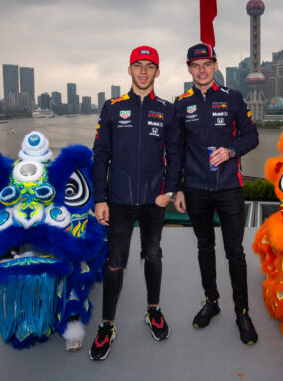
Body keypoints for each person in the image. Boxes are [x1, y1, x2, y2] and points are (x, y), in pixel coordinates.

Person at [89, 45, 182, 361]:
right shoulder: (112, 107)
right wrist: (99, 198)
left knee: (153, 253)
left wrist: (169, 191)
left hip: (154, 201)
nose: (144, 71)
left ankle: (153, 310)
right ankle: (107, 325)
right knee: (115, 260)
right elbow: (101, 154)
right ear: (129, 70)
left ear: (158, 72)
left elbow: (176, 154)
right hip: (118, 200)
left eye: (150, 66)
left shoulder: (168, 110)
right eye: (138, 65)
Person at [173, 43, 259, 345]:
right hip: (195, 189)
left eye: (207, 64)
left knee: (235, 252)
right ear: (188, 68)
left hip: (229, 189)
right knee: (204, 248)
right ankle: (212, 301)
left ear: (216, 65)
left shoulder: (232, 98)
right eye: (196, 65)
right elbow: (176, 150)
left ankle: (243, 312)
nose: (202, 70)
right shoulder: (181, 103)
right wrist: (178, 188)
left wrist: (231, 150)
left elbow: (252, 135)